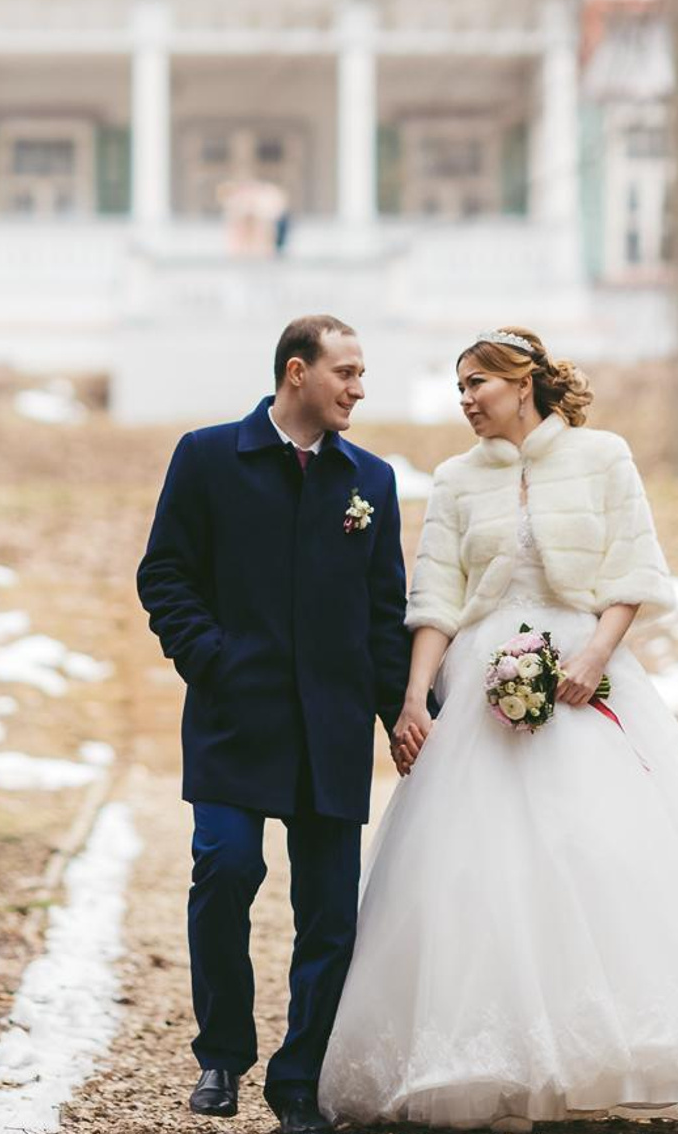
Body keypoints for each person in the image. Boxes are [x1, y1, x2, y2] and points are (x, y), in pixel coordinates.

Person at [318, 327, 678, 1130]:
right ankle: (493, 1058)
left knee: (600, 849)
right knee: (476, 868)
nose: (465, 400)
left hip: (585, 679)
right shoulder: (458, 481)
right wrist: (416, 699)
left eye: (478, 385)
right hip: (480, 691)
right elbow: (434, 600)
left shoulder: (603, 459)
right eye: (459, 387)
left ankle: (610, 1047)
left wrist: (595, 656)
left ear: (521, 382)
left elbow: (634, 569)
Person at [137, 314, 410, 1134]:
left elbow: (382, 610)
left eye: (362, 374)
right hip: (233, 716)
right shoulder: (208, 456)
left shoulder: (373, 481)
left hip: (330, 730)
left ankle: (298, 1081)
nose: (359, 388)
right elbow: (165, 574)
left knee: (329, 911)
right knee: (224, 871)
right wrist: (212, 658)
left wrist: (403, 712)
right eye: (347, 373)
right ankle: (222, 1053)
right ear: (298, 372)